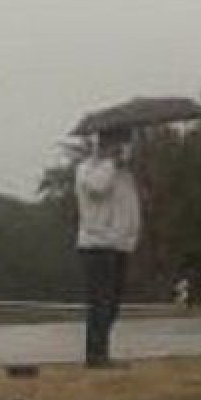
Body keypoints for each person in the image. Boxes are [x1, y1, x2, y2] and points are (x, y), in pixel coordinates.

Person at [74, 129, 141, 368]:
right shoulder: (88, 168)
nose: (125, 148)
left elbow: (127, 205)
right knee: (100, 302)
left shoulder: (123, 172)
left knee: (113, 302)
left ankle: (101, 350)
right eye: (121, 143)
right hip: (97, 243)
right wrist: (110, 161)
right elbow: (97, 188)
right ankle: (95, 355)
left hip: (120, 243)